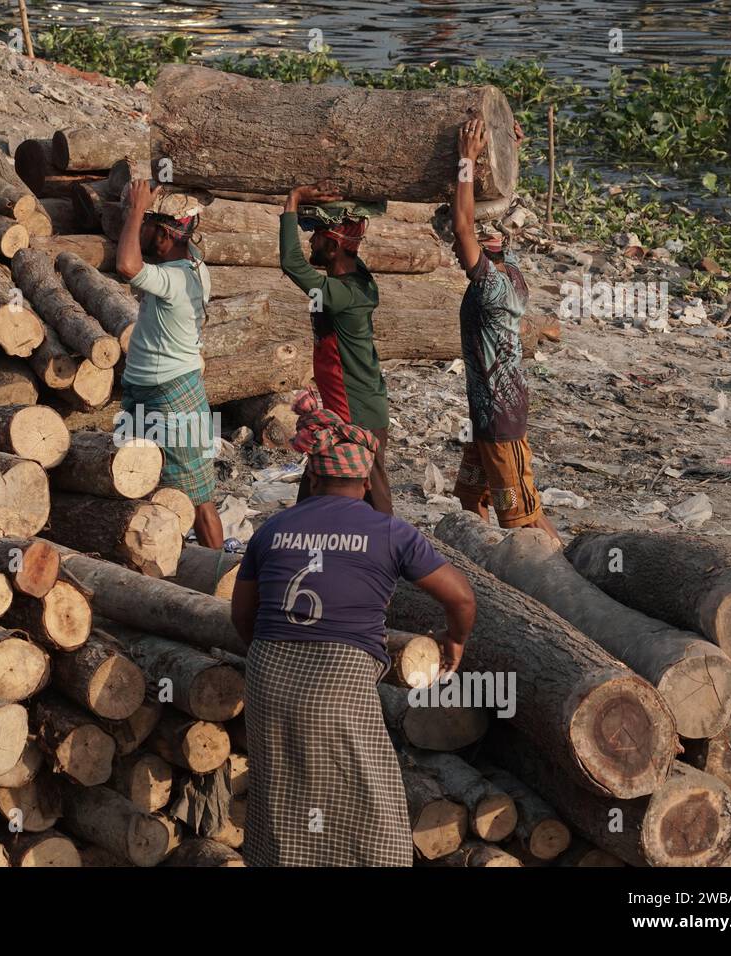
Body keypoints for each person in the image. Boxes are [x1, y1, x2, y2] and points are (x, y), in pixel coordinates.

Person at [230, 392, 477, 867]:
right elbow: (461, 597)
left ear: (314, 475)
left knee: (281, 799)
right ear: (366, 481)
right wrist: (456, 641)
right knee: (373, 808)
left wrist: (279, 650)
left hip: (268, 676)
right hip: (340, 679)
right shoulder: (391, 533)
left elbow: (243, 616)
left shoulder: (273, 529)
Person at [450, 119, 561, 542]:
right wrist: (507, 149)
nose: (458, 253)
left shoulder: (493, 287)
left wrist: (466, 159)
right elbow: (491, 212)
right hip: (484, 417)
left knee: (523, 517)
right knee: (469, 497)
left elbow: (464, 227)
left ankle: (556, 573)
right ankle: (481, 565)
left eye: (464, 249)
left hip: (500, 418)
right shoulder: (509, 269)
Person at [115, 180, 224, 548]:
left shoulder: (176, 278)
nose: (136, 230)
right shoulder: (189, 260)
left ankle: (220, 579)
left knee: (198, 497)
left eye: (146, 225)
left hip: (174, 395)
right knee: (139, 483)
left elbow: (127, 264)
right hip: (144, 391)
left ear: (162, 234)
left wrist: (136, 210)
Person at [279, 184, 394, 514]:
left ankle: (394, 557)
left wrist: (293, 199)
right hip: (341, 408)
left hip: (356, 412)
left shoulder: (344, 293)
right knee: (315, 489)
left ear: (331, 245)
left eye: (316, 236)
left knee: (373, 496)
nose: (310, 242)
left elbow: (291, 264)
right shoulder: (354, 278)